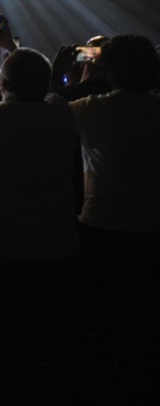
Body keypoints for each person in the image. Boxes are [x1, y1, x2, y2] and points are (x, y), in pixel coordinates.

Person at [0, 48, 80, 277]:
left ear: (2, 83)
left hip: (1, 237)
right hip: (57, 239)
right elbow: (47, 90)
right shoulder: (62, 113)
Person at [70, 34, 160, 284]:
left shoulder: (89, 108)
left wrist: (81, 78)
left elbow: (44, 108)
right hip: (152, 220)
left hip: (102, 219)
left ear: (107, 67)